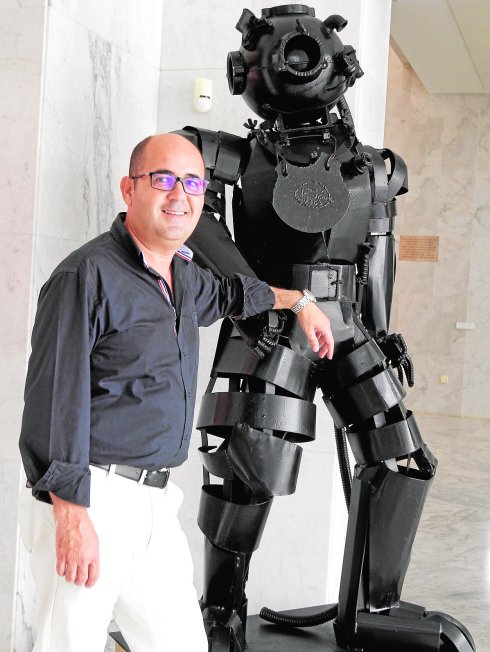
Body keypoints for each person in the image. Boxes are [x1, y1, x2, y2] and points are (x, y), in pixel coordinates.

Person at [18, 133, 334, 652]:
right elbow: (53, 400)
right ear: (129, 188)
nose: (179, 195)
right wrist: (72, 515)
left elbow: (235, 294)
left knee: (179, 643)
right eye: (162, 179)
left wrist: (299, 301)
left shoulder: (183, 277)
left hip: (155, 504)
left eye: (192, 183)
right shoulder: (86, 276)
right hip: (90, 497)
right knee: (67, 644)